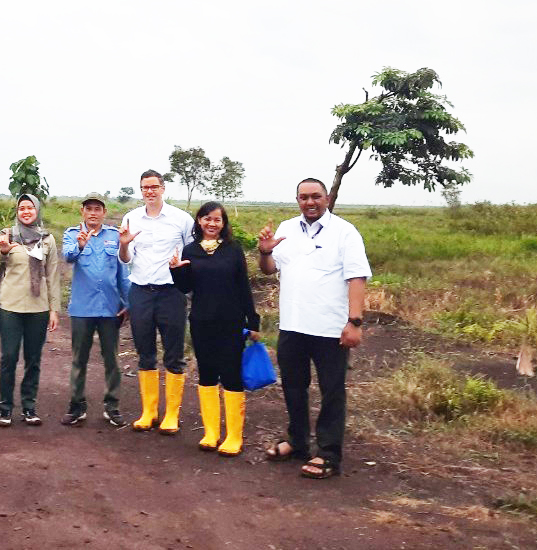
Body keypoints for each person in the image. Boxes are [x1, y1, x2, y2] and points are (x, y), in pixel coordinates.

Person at [257, 178, 371, 479]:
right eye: (304, 197)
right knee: (294, 387)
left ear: (327, 197)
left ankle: (329, 454)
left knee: (332, 390)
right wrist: (265, 252)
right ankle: (297, 442)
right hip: (293, 325)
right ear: (297, 200)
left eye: (316, 197)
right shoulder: (287, 229)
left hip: (330, 328)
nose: (310, 202)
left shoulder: (344, 232)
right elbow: (269, 269)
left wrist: (354, 322)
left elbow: (357, 277)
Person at [170, 201, 261, 457]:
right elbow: (185, 288)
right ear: (199, 221)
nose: (212, 224)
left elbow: (244, 286)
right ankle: (211, 432)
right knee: (207, 374)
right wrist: (175, 270)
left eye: (217, 220)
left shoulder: (233, 250)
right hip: (201, 321)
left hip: (231, 322)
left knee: (231, 375)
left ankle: (233, 436)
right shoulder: (190, 250)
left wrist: (252, 321)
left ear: (224, 224)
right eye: (207, 218)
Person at [118, 170, 195, 435]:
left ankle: (171, 414)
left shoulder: (181, 220)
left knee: (173, 354)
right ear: (141, 191)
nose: (149, 191)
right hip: (140, 292)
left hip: (171, 293)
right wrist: (124, 245)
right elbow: (125, 259)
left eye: (154, 186)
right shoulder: (131, 218)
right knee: (145, 352)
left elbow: (191, 254)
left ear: (163, 188)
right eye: (144, 187)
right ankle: (149, 411)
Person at [60, 192, 130, 427]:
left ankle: (112, 406)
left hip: (110, 309)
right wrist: (80, 245)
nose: (93, 213)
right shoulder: (72, 234)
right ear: (82, 212)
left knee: (111, 359)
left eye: (97, 209)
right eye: (88, 208)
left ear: (104, 212)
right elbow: (68, 257)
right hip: (82, 308)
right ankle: (76, 406)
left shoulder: (114, 235)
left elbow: (123, 274)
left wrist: (128, 303)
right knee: (79, 359)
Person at [0, 194, 61, 427]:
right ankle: (5, 408)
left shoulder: (47, 239)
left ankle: (29, 407)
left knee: (33, 359)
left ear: (37, 210)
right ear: (17, 211)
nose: (26, 211)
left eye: (30, 207)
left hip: (38, 308)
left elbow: (52, 276)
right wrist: (3, 249)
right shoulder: (7, 234)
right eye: (22, 208)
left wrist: (54, 309)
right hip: (10, 306)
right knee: (9, 357)